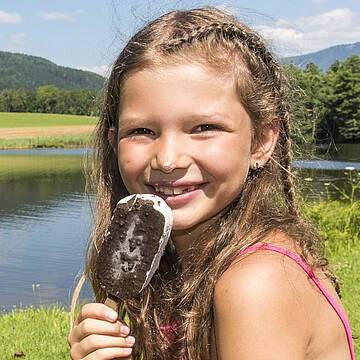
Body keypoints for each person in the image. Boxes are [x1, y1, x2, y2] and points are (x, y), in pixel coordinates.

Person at [67, 6, 355, 360]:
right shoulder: (188, 267)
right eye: (142, 131)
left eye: (204, 128)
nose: (168, 160)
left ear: (263, 141)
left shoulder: (257, 283)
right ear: (113, 142)